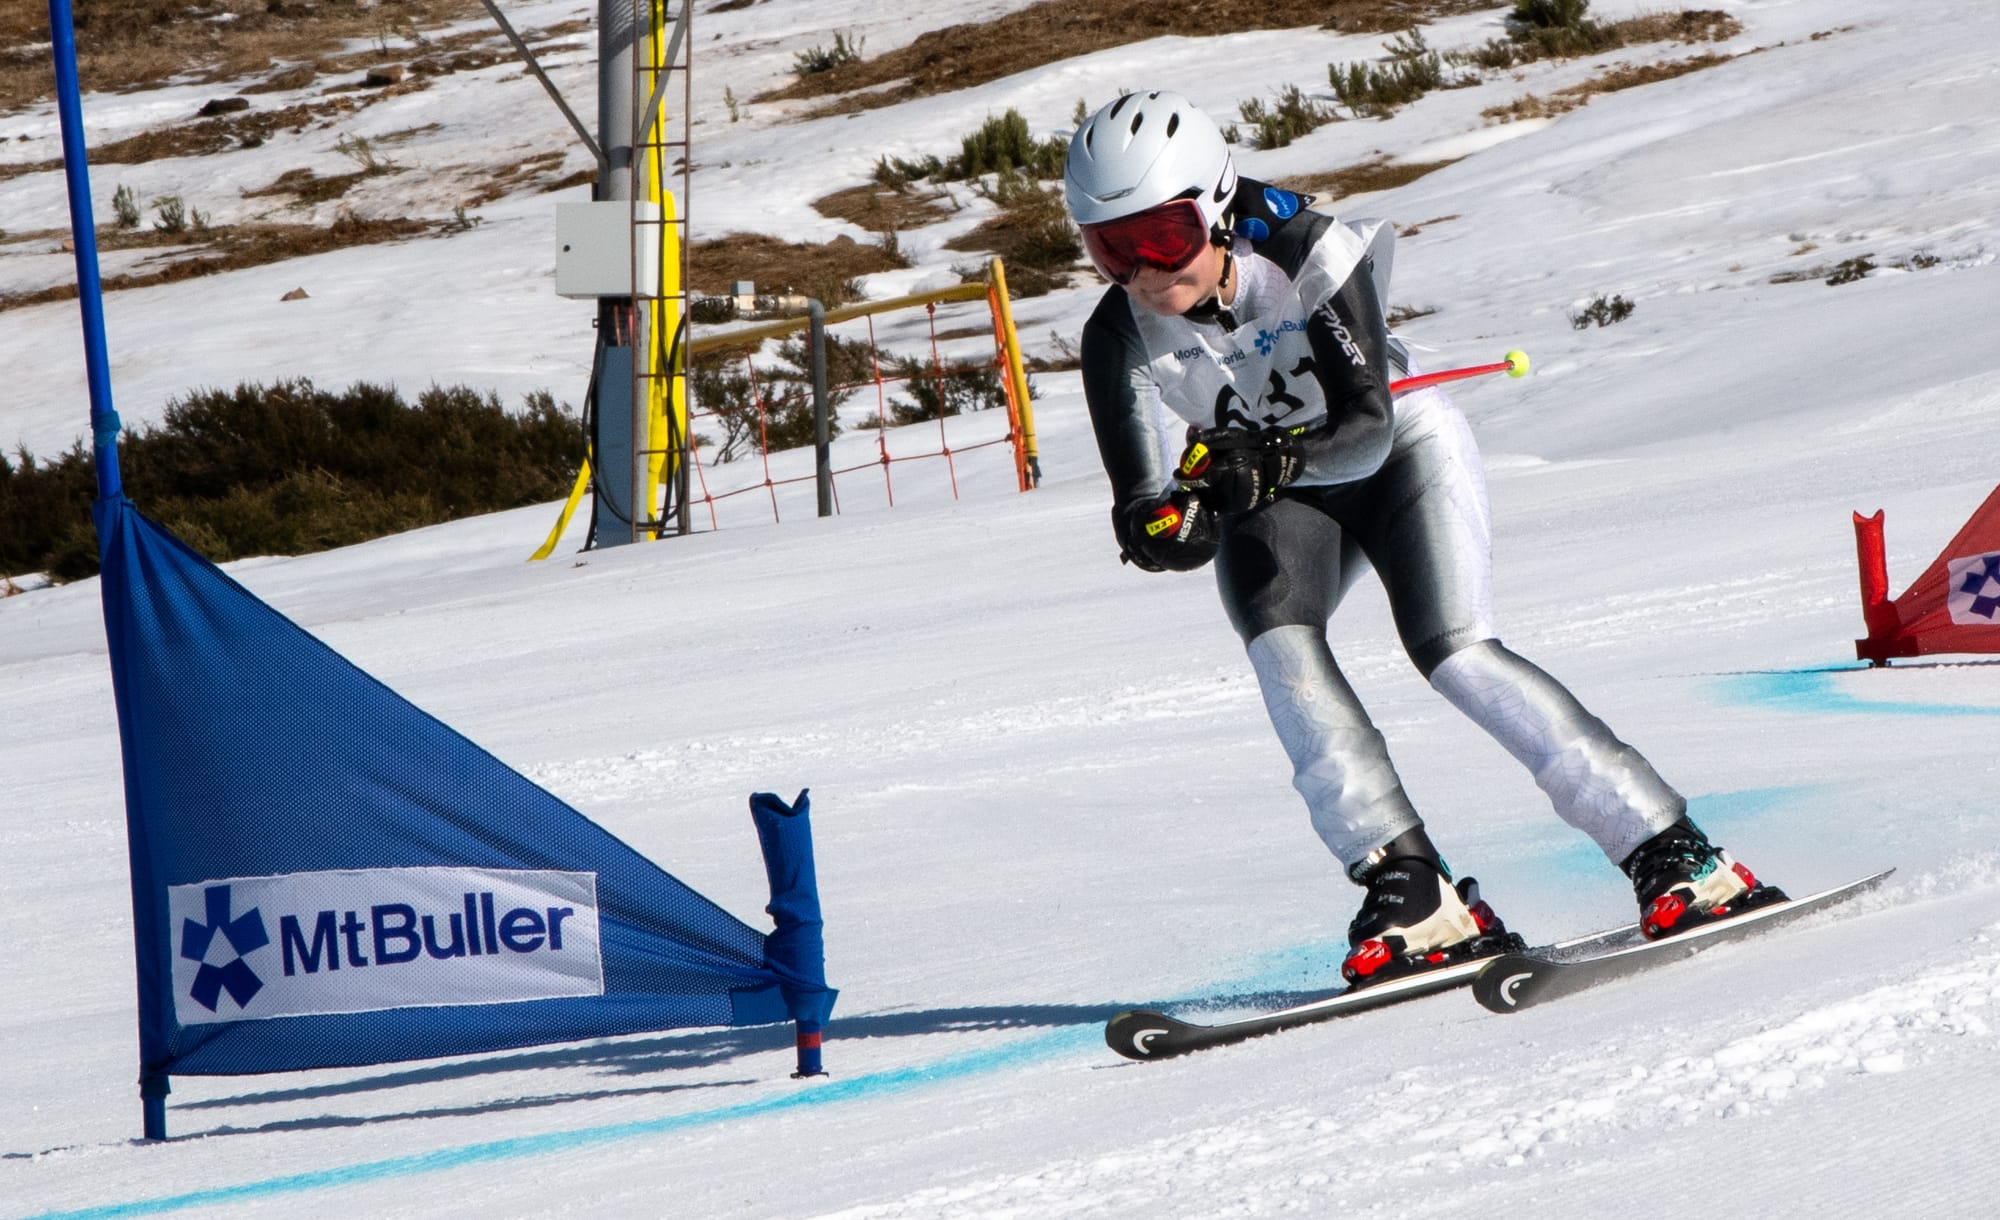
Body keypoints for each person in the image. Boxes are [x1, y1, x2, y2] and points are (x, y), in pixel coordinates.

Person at [1065, 91, 1784, 985]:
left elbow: (1364, 428)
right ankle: (1408, 882)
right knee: (1278, 645)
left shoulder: (1304, 249)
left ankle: (1672, 849)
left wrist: (1258, 468)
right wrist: (1177, 524)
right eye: (1110, 246)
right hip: (1287, 491)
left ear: (1214, 204)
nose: (1140, 269)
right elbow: (1142, 512)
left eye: (1163, 236)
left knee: (1454, 651)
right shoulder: (1115, 335)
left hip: (1400, 450)